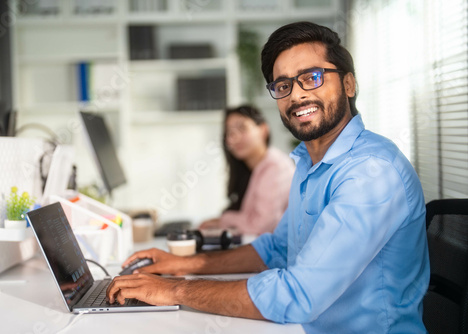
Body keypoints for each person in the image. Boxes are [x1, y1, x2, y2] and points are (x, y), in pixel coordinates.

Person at [107, 21, 430, 333]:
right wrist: (185, 264)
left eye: (312, 77)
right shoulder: (310, 164)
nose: (297, 95)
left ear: (348, 84)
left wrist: (174, 290)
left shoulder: (370, 172)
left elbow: (298, 295)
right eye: (284, 85)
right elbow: (276, 249)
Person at [199, 105, 295, 235]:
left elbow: (261, 227)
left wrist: (225, 219)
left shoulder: (275, 167)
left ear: (263, 130)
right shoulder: (253, 169)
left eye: (242, 128)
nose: (234, 137)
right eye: (229, 132)